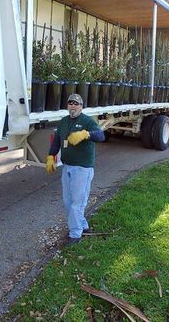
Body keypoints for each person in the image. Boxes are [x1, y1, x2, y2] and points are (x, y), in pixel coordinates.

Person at [45, 93, 105, 245]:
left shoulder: (87, 121)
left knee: (77, 202)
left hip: (82, 168)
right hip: (67, 167)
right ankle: (83, 225)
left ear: (81, 106)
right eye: (70, 103)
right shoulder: (64, 121)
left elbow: (100, 136)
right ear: (67, 106)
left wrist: (86, 134)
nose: (73, 105)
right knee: (68, 202)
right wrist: (51, 156)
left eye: (76, 103)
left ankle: (75, 234)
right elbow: (57, 141)